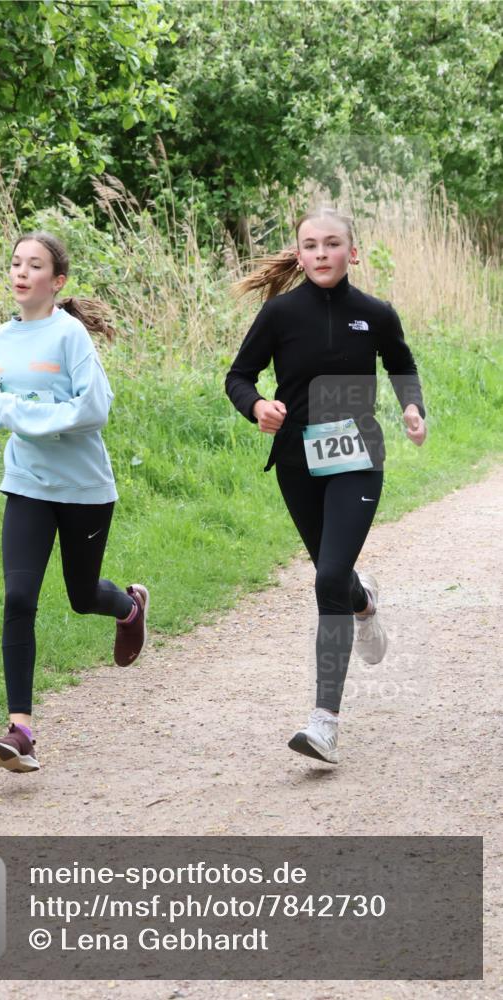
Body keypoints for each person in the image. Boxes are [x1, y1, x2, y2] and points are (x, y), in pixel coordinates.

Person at [225, 207, 426, 764]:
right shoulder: (280, 314)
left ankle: (324, 721)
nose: (320, 253)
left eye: (331, 244)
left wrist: (413, 407)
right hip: (298, 460)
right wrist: (258, 406)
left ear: (351, 253)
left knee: (328, 576)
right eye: (309, 245)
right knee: (333, 577)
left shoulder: (374, 313)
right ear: (299, 254)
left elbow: (401, 361)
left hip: (358, 456)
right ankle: (363, 604)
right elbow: (238, 376)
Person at [0, 231, 149, 774]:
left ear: (56, 281)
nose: (21, 272)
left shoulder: (70, 337)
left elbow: (94, 409)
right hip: (27, 483)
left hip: (84, 488)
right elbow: (7, 393)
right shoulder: (3, 337)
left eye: (34, 265)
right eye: (15, 263)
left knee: (82, 594)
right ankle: (21, 729)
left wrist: (18, 417)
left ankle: (129, 605)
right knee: (19, 597)